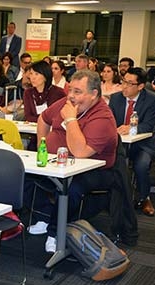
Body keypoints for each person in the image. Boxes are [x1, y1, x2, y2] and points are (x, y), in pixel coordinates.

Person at [26, 69, 118, 253]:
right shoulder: (66, 102)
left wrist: (70, 118)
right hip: (59, 162)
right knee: (26, 176)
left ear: (94, 94)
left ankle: (55, 232)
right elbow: (43, 119)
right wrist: (42, 146)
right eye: (70, 90)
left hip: (94, 170)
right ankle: (45, 216)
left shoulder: (103, 117)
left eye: (77, 92)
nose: (71, 96)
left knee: (70, 187)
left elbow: (80, 152)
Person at [109, 67, 155, 217]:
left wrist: (131, 127)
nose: (124, 86)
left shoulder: (152, 99)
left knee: (141, 165)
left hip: (142, 143)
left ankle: (145, 197)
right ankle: (114, 198)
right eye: (124, 81)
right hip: (119, 142)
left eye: (130, 83)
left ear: (140, 86)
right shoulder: (116, 98)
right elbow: (109, 120)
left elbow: (149, 125)